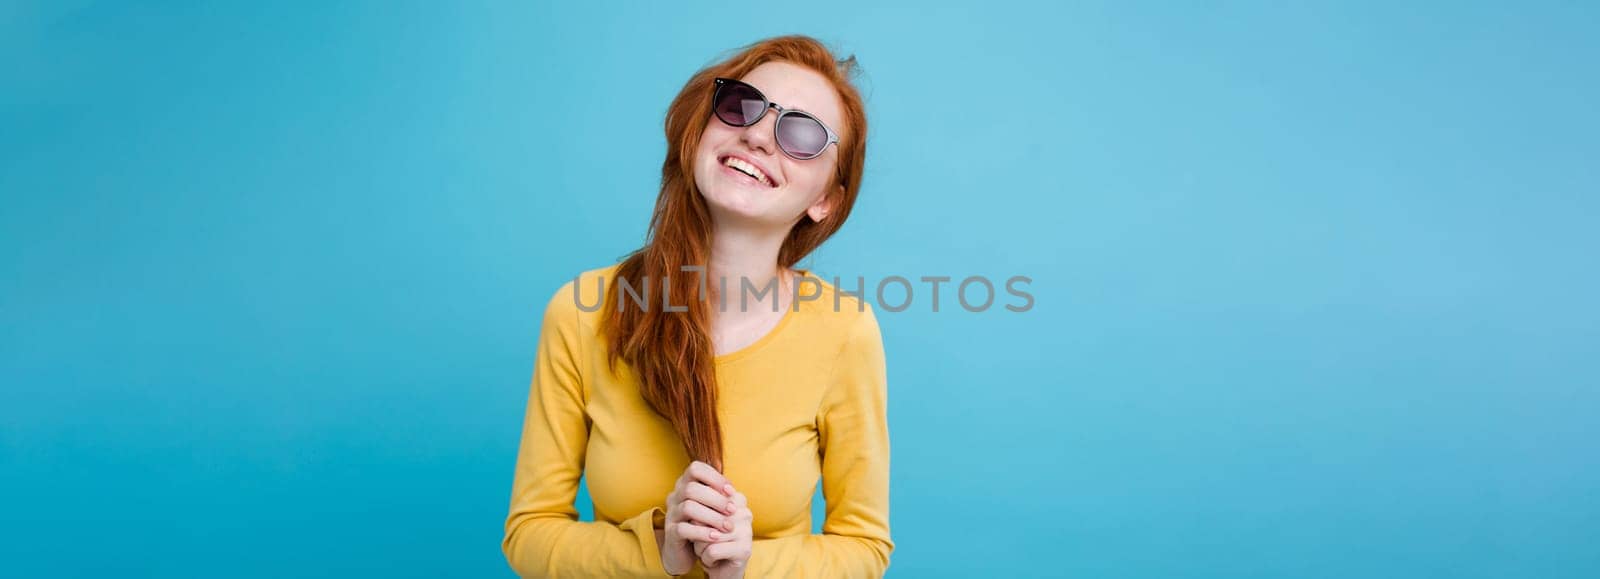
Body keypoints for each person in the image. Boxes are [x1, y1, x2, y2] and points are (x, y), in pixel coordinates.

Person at [502, 35, 890, 578]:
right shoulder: (582, 312)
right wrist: (658, 551)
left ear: (825, 200)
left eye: (801, 132)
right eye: (741, 106)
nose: (757, 135)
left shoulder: (845, 331)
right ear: (700, 132)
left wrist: (745, 565)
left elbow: (864, 547)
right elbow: (529, 531)